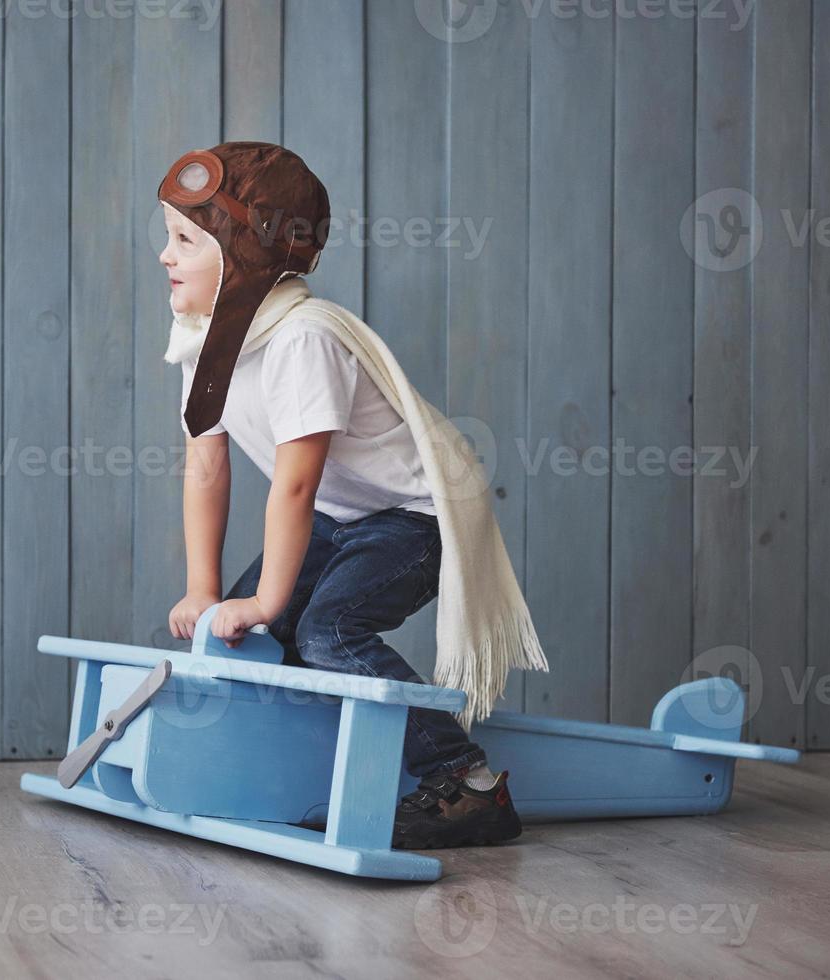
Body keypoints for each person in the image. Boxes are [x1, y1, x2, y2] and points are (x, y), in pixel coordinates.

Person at [158, 142, 548, 849]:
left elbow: (296, 484)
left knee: (325, 632)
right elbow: (206, 467)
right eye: (169, 236)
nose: (165, 255)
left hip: (413, 516)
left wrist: (269, 599)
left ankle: (467, 782)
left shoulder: (303, 339)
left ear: (247, 249)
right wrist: (204, 590)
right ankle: (336, 770)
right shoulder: (202, 343)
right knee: (253, 635)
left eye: (185, 238)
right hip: (343, 517)